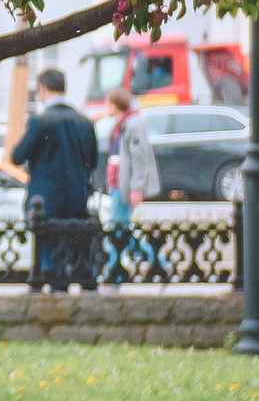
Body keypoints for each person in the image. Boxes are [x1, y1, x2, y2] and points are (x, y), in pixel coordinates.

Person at [11, 67, 99, 289]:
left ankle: (54, 291)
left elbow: (17, 156)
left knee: (48, 257)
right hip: (77, 199)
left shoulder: (40, 122)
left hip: (45, 200)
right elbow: (94, 161)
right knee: (73, 250)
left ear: (42, 89)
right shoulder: (85, 122)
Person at [102, 86, 165, 281]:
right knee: (123, 227)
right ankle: (159, 262)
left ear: (115, 104)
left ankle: (115, 271)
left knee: (116, 228)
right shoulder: (124, 123)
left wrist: (136, 188)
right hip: (119, 183)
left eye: (108, 103)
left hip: (124, 185)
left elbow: (139, 159)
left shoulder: (131, 124)